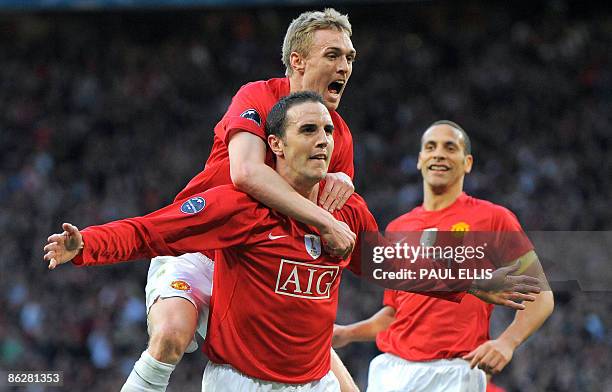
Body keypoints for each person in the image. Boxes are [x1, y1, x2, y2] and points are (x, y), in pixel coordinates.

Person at [44, 94, 540, 392]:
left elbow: (389, 263)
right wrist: (85, 244)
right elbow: (152, 231)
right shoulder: (238, 207)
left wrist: (469, 280)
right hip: (242, 383)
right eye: (309, 130)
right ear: (276, 146)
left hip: (313, 381)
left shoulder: (345, 209)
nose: (324, 139)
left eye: (327, 130)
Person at [117, 8, 359, 392]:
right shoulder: (258, 96)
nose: (344, 66)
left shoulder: (339, 136)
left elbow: (333, 225)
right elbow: (245, 172)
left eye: (349, 58)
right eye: (333, 55)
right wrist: (327, 220)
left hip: (259, 270)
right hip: (203, 249)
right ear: (297, 61)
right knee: (170, 337)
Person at [332, 120, 554, 392]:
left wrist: (508, 341)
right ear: (419, 160)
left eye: (450, 147)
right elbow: (394, 314)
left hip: (455, 370)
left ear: (467, 162)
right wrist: (347, 333)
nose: (439, 154)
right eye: (430, 147)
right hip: (392, 370)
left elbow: (541, 296)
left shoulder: (494, 219)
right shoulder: (398, 228)